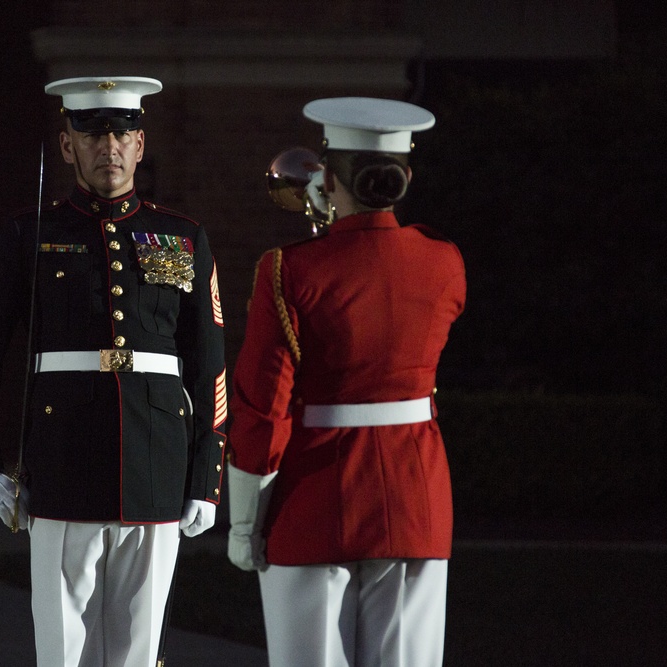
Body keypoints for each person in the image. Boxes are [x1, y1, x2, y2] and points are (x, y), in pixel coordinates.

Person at [0, 76, 227, 667]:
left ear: (141, 144)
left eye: (123, 132)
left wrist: (208, 468)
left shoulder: (181, 236)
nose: (110, 146)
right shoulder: (30, 235)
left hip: (158, 460)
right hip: (62, 458)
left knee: (140, 646)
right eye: (93, 133)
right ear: (67, 145)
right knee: (63, 648)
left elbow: (209, 363)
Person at [226, 97, 466, 667]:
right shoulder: (444, 261)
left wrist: (243, 524)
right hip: (414, 498)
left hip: (314, 497)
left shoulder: (290, 269)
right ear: (404, 177)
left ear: (328, 177)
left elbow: (264, 406)